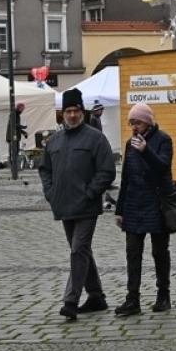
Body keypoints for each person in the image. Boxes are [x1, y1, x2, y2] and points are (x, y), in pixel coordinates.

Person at [41, 88, 118, 321]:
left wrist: (91, 192)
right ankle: (96, 296)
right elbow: (45, 169)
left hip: (86, 206)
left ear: (82, 112)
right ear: (62, 114)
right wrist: (50, 192)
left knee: (77, 250)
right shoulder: (54, 141)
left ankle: (70, 300)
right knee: (81, 251)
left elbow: (107, 171)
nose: (72, 115)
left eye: (76, 111)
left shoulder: (95, 138)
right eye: (68, 111)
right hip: (63, 205)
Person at [114, 103, 176, 315]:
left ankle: (163, 294)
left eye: (137, 122)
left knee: (159, 252)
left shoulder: (164, 140)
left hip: (157, 204)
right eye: (131, 123)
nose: (134, 127)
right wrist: (119, 209)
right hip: (134, 204)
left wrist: (146, 151)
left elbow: (163, 167)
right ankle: (132, 299)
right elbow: (125, 178)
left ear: (148, 122)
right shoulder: (129, 144)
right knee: (133, 253)